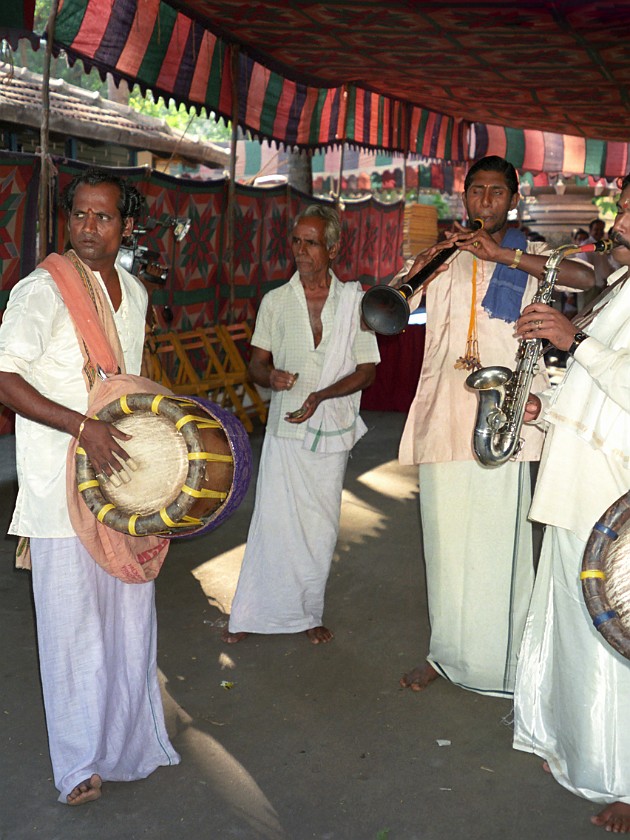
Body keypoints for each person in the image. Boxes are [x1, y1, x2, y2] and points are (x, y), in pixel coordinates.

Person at [0, 168, 180, 805]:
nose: (87, 228)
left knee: (129, 619)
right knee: (71, 630)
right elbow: (7, 380)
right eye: (78, 215)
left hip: (123, 489)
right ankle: (77, 766)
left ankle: (129, 745)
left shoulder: (132, 289)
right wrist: (84, 429)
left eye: (103, 217)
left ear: (126, 226)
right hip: (59, 491)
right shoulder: (40, 292)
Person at [397, 155, 594, 696]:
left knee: (494, 545)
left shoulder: (528, 256)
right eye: (476, 192)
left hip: (503, 417)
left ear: (514, 198)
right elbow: (392, 303)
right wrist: (435, 255)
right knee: (442, 544)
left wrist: (503, 255)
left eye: (495, 192)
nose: (485, 201)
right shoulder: (443, 255)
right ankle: (446, 656)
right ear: (465, 198)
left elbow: (584, 275)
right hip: (444, 412)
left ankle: (506, 660)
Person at [513, 175, 630, 833]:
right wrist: (545, 409)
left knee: (617, 638)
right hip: (576, 479)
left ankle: (627, 779)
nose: (623, 217)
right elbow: (595, 392)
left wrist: (572, 338)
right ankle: (576, 745)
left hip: (614, 499)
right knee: (572, 623)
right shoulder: (620, 287)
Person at [223, 204, 379, 645]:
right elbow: (255, 365)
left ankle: (308, 612)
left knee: (320, 526)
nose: (301, 251)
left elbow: (367, 370)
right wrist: (268, 377)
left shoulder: (354, 303)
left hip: (331, 430)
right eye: (296, 241)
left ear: (333, 247)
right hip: (285, 428)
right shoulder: (276, 301)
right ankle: (252, 614)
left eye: (311, 242)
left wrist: (322, 395)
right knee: (273, 522)